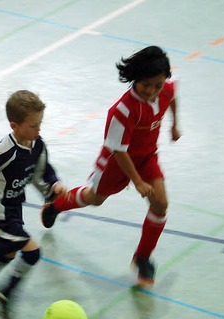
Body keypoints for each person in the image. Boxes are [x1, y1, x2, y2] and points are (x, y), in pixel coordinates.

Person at [41, 45, 180, 287]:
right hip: (117, 163)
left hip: (147, 158)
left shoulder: (165, 90)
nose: (152, 90)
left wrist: (174, 124)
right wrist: (136, 181)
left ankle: (143, 257)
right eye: (146, 84)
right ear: (136, 79)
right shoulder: (123, 110)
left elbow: (172, 96)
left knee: (161, 204)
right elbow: (119, 150)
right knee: (94, 198)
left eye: (157, 85)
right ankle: (57, 205)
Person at [0, 90, 65, 319]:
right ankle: (8, 293)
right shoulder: (5, 150)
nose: (38, 130)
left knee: (7, 252)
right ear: (15, 126)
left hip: (14, 205)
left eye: (40, 124)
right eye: (32, 126)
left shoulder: (37, 145)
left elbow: (43, 171)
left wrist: (54, 186)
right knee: (32, 252)